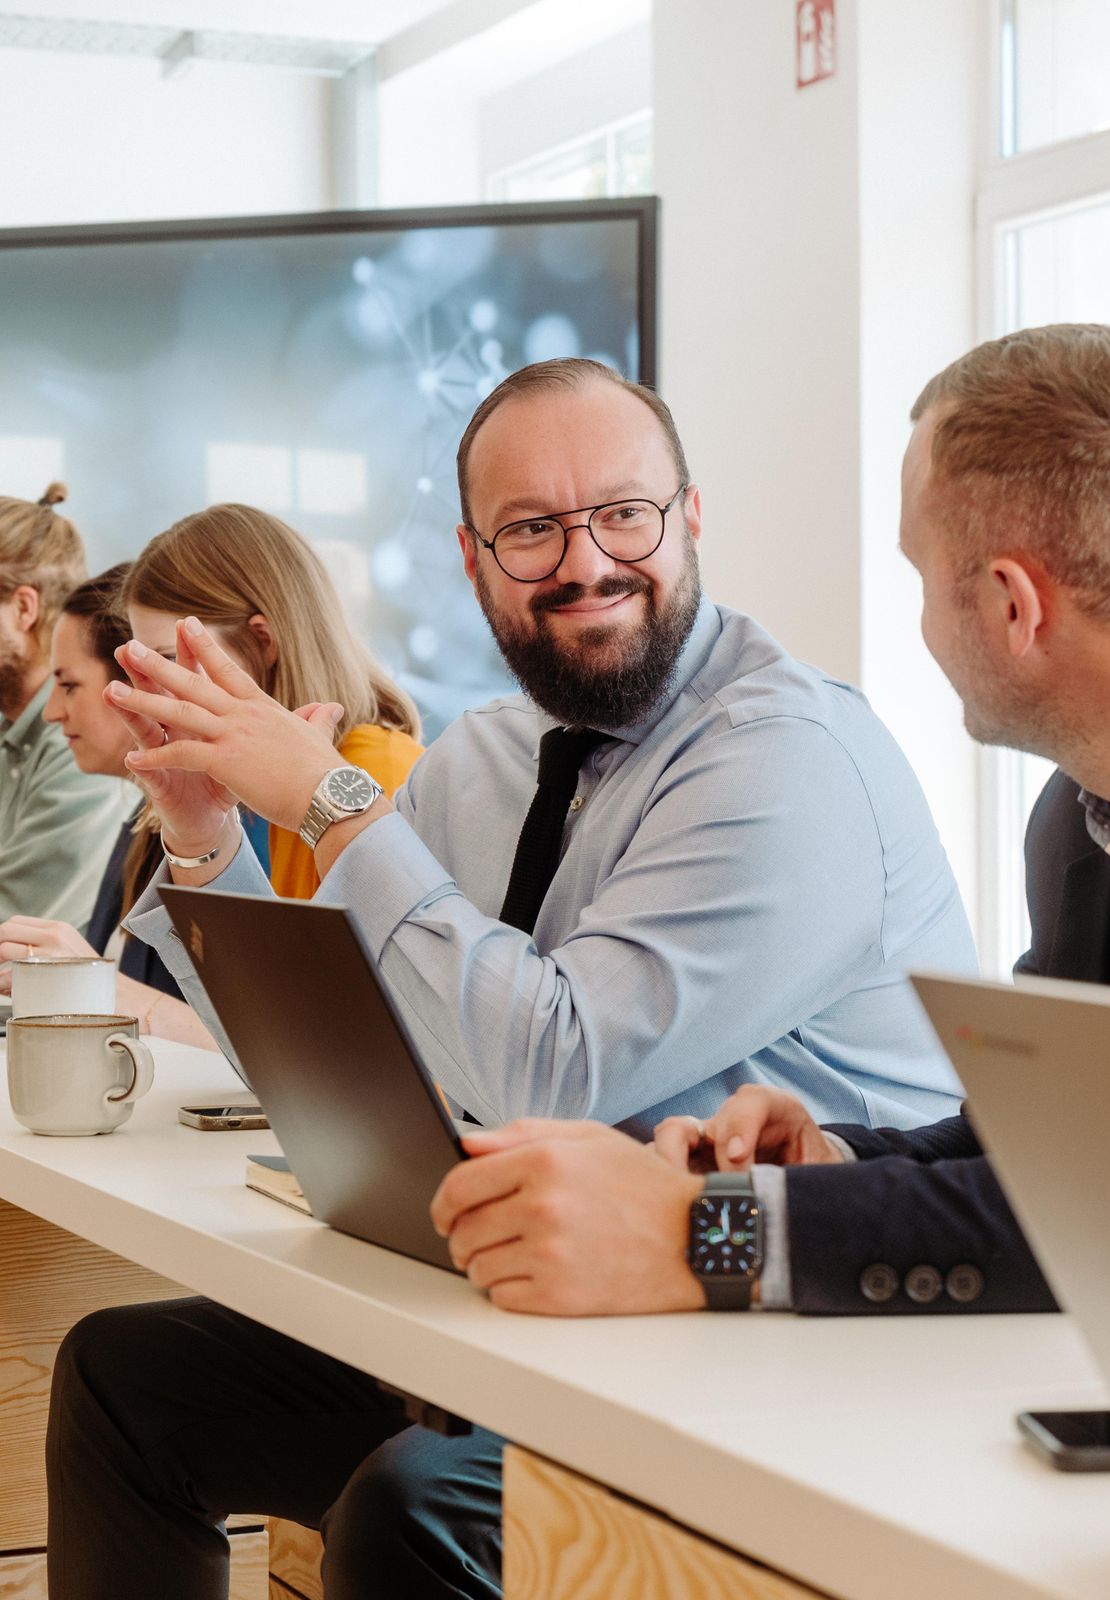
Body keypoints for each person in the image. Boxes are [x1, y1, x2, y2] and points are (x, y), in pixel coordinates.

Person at [46, 361, 975, 1599]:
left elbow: (553, 1067)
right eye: (531, 529)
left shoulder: (785, 757)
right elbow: (322, 1051)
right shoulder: (484, 754)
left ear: (690, 518)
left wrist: (328, 800)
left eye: (622, 514)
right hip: (511, 1307)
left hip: (742, 1335)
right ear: (474, 560)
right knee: (126, 1377)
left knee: (413, 1511)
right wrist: (209, 833)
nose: (584, 561)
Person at [426, 322, 1110, 1322]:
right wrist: (823, 1161)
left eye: (918, 573)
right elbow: (1059, 1156)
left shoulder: (815, 751)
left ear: (1010, 605)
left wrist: (707, 1234)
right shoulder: (1080, 815)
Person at [119, 503, 425, 899]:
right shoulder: (238, 786)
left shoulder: (374, 771)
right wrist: (197, 840)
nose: (157, 694)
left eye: (172, 662)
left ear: (263, 640)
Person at [0, 563, 214, 1046]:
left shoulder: (220, 838)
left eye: (69, 685)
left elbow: (248, 1043)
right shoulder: (139, 830)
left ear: (139, 685)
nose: (53, 711)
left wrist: (85, 980)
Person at [0, 484, 134, 927]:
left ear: (23, 608)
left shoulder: (81, 747)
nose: (58, 708)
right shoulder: (11, 730)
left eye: (70, 685)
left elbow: (14, 923)